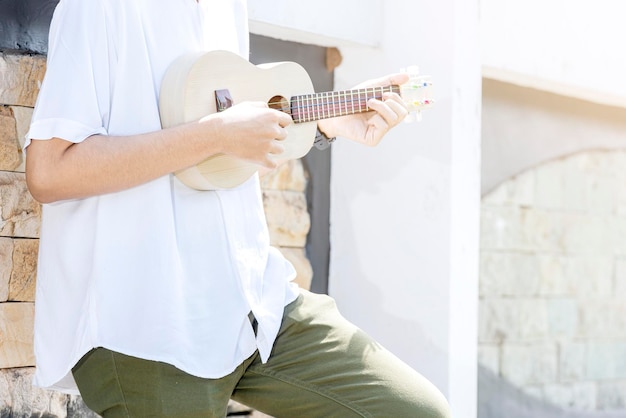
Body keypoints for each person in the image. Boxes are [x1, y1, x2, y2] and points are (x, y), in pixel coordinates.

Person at [25, 0, 451, 417]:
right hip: (150, 328)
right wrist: (214, 136)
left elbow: (222, 165)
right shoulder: (99, 8)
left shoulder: (227, 7)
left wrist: (324, 124)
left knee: (416, 411)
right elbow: (48, 172)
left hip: (252, 305)